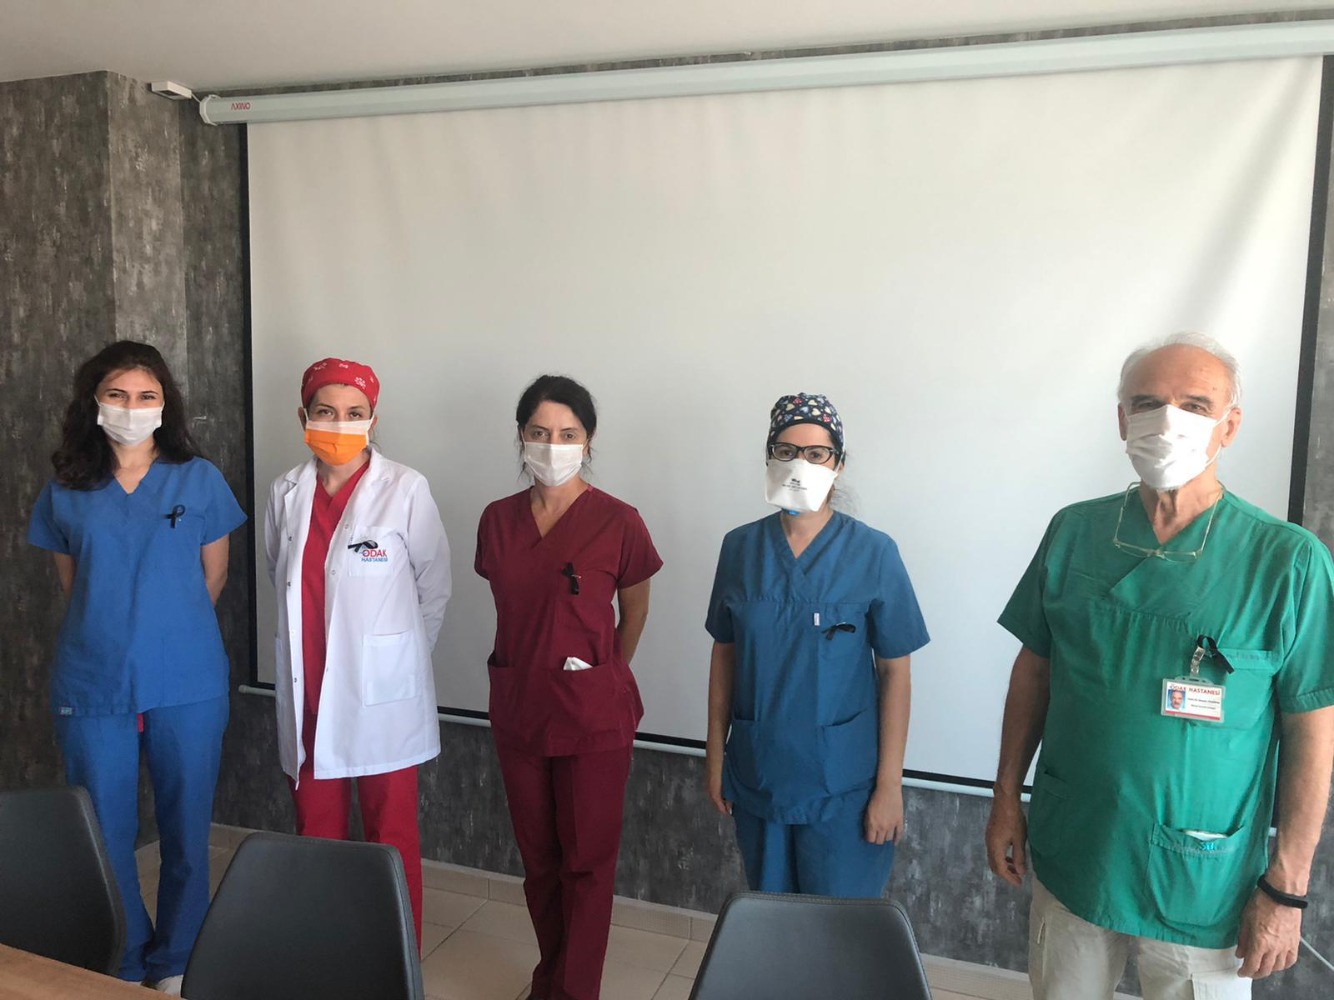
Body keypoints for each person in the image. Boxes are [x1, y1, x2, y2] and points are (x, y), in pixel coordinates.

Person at [984, 334, 1334, 999]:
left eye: (1195, 405)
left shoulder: (1286, 561)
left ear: (1230, 425)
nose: (1169, 421)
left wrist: (1287, 887)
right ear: (1122, 420)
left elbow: (1313, 725)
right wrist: (1005, 795)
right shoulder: (1075, 532)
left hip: (1203, 873)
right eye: (1147, 403)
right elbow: (1035, 669)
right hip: (1078, 848)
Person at [28, 341, 246, 993]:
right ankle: (124, 959)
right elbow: (76, 586)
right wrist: (122, 632)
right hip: (93, 681)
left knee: (186, 827)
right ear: (93, 402)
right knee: (105, 832)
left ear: (165, 404)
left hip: (187, 677)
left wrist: (163, 631)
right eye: (117, 395)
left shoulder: (197, 479)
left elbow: (214, 576)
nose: (132, 407)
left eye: (146, 395)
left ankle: (176, 960)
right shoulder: (66, 489)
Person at [475, 374, 662, 1000]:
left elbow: (635, 610)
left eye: (567, 433)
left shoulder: (619, 522)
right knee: (540, 863)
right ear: (520, 436)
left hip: (592, 719)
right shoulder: (497, 520)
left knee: (586, 865)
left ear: (588, 441)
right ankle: (550, 976)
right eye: (539, 432)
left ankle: (574, 991)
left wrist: (605, 674)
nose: (552, 446)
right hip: (520, 709)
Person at [704, 393, 929, 897]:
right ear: (769, 457)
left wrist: (889, 786)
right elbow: (725, 655)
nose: (799, 464)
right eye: (785, 451)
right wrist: (715, 758)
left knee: (840, 929)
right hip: (759, 774)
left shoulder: (874, 552)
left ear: (838, 464)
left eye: (816, 453)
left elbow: (895, 672)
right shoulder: (740, 549)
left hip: (845, 787)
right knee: (774, 923)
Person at [264, 358, 450, 948]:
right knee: (316, 835)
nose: (339, 424)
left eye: (354, 413)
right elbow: (280, 573)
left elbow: (434, 588)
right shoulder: (285, 492)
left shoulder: (405, 489)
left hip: (381, 701)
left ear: (373, 418)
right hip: (309, 695)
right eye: (325, 411)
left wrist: (396, 665)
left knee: (390, 837)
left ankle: (396, 959)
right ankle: (328, 953)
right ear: (303, 416)